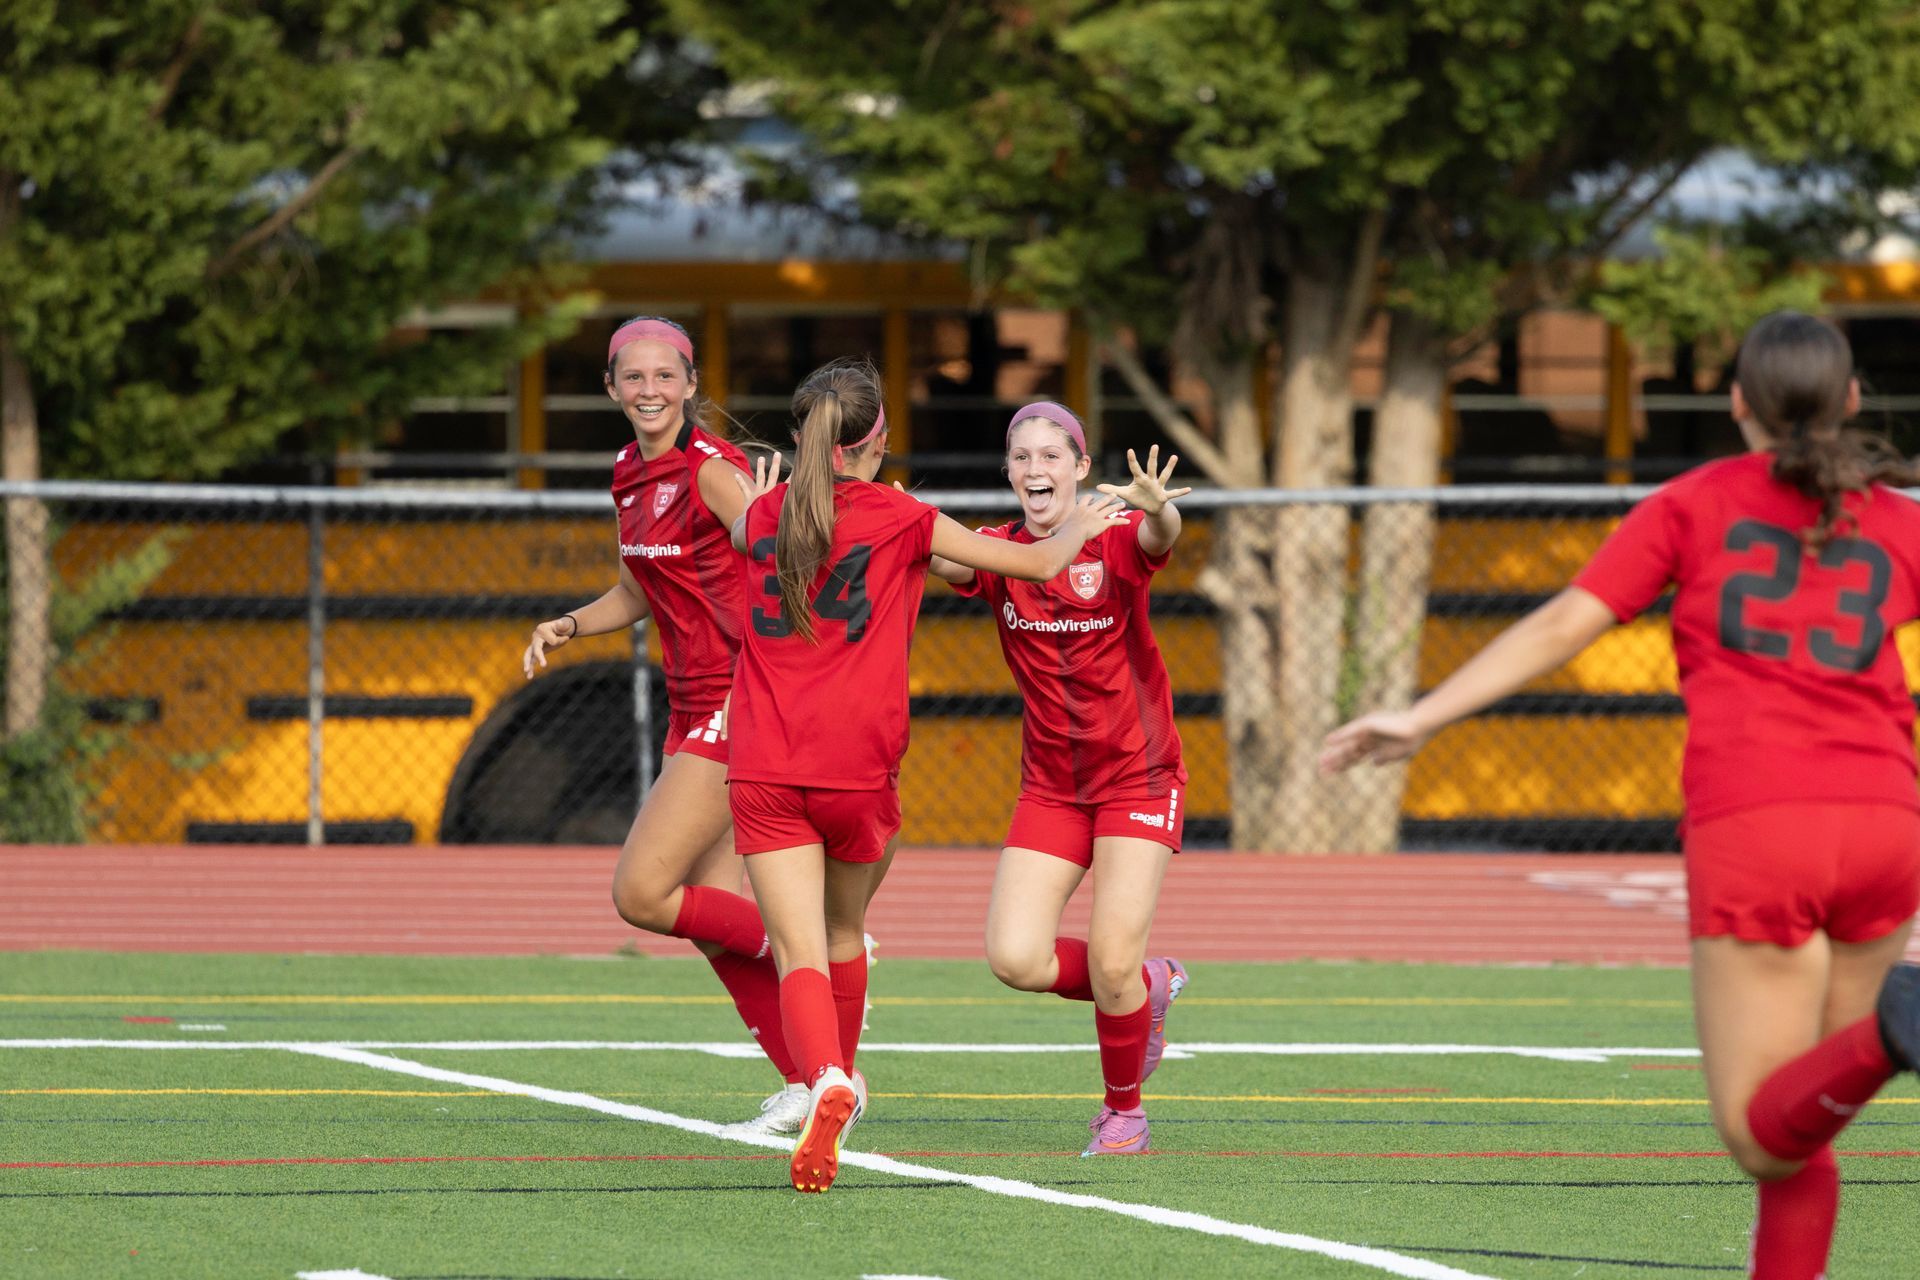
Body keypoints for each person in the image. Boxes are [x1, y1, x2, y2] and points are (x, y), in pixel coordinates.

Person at [1319, 311, 1920, 1280]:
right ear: (1851, 398)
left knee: (1759, 1134)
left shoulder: (1694, 503)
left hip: (1760, 819)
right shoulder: (1899, 518)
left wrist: (1423, 717)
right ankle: (1890, 1035)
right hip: (1889, 820)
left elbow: (1566, 624)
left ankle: (1894, 1034)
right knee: (1805, 1121)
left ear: (1736, 403)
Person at [727, 361, 1128, 1192]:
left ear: (804, 438)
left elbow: (739, 532)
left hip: (765, 761)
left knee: (798, 951)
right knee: (843, 933)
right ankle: (839, 1081)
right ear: (876, 441)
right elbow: (1034, 566)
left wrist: (766, 495)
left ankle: (826, 1079)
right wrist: (1086, 524)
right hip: (857, 766)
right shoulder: (903, 514)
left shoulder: (766, 513)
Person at [521, 315, 805, 1133]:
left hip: (741, 696)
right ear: (612, 387)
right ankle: (816, 1076)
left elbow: (783, 560)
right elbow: (636, 590)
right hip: (690, 701)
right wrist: (568, 625)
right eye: (634, 377)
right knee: (714, 918)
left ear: (689, 384)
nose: (650, 390)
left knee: (643, 893)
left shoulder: (712, 470)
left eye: (664, 376)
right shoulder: (627, 473)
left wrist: (772, 517)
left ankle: (813, 948)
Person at [932, 404, 1193, 1157]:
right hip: (1051, 787)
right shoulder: (999, 552)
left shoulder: (1114, 536)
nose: (1035, 469)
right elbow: (935, 555)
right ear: (1008, 471)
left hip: (1139, 777)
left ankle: (1123, 1115)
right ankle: (1147, 986)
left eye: (1052, 455)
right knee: (1015, 958)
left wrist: (1159, 511)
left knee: (1110, 959)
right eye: (1022, 457)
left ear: (1080, 467)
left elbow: (1158, 536)